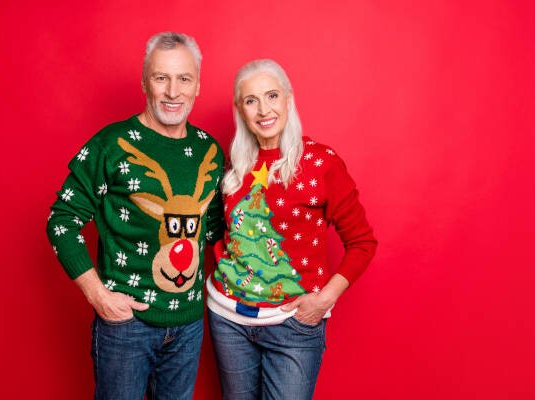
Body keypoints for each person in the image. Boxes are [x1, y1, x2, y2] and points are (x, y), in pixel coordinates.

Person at [46, 32, 225, 400]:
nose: (173, 92)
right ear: (145, 82)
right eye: (161, 78)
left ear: (198, 86)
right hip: (126, 326)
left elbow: (215, 231)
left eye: (183, 79)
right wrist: (98, 295)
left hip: (189, 325)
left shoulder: (209, 150)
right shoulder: (112, 144)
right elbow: (61, 219)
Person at [206, 59, 378, 399]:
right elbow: (217, 231)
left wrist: (324, 300)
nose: (263, 109)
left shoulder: (321, 164)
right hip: (227, 320)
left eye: (272, 96)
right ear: (240, 110)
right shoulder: (233, 166)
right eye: (251, 100)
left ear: (288, 98)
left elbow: (362, 242)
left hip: (293, 325)